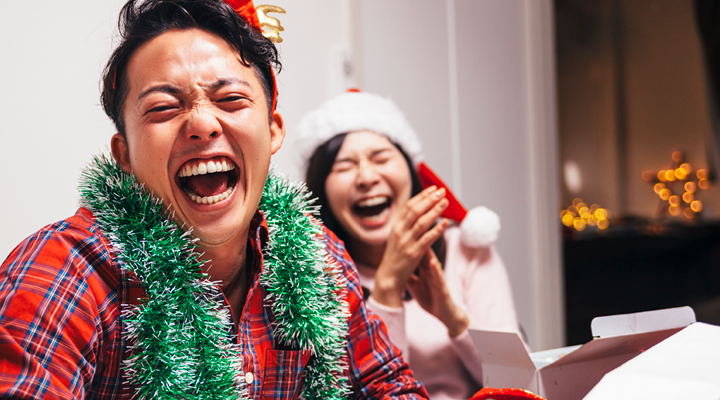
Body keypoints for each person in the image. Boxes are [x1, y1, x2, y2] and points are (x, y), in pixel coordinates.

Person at [0, 2, 428, 399]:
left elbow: (390, 386)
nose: (202, 124)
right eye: (165, 108)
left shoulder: (319, 258)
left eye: (230, 100)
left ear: (274, 129)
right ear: (124, 154)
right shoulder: (65, 269)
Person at [297, 90, 525, 400]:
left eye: (381, 158)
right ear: (322, 189)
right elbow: (355, 392)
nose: (366, 177)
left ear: (409, 170)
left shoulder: (466, 249)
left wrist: (454, 319)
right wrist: (388, 287)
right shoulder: (311, 274)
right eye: (345, 166)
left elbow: (520, 381)